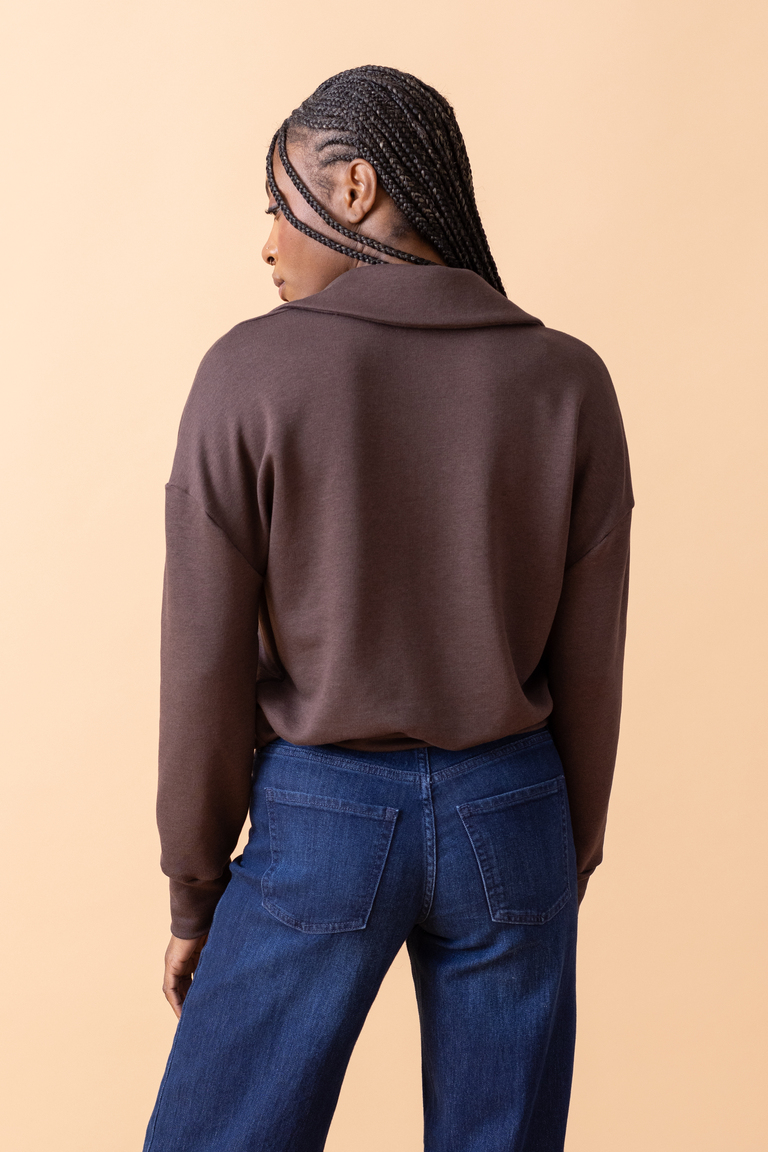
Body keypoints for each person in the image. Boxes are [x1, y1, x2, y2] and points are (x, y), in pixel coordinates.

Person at [142, 64, 633, 1152]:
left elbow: (202, 662)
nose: (269, 242)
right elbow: (592, 659)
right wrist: (565, 857)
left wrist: (194, 888)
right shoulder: (568, 381)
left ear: (355, 188)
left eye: (278, 203)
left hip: (325, 818)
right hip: (515, 813)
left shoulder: (249, 372)